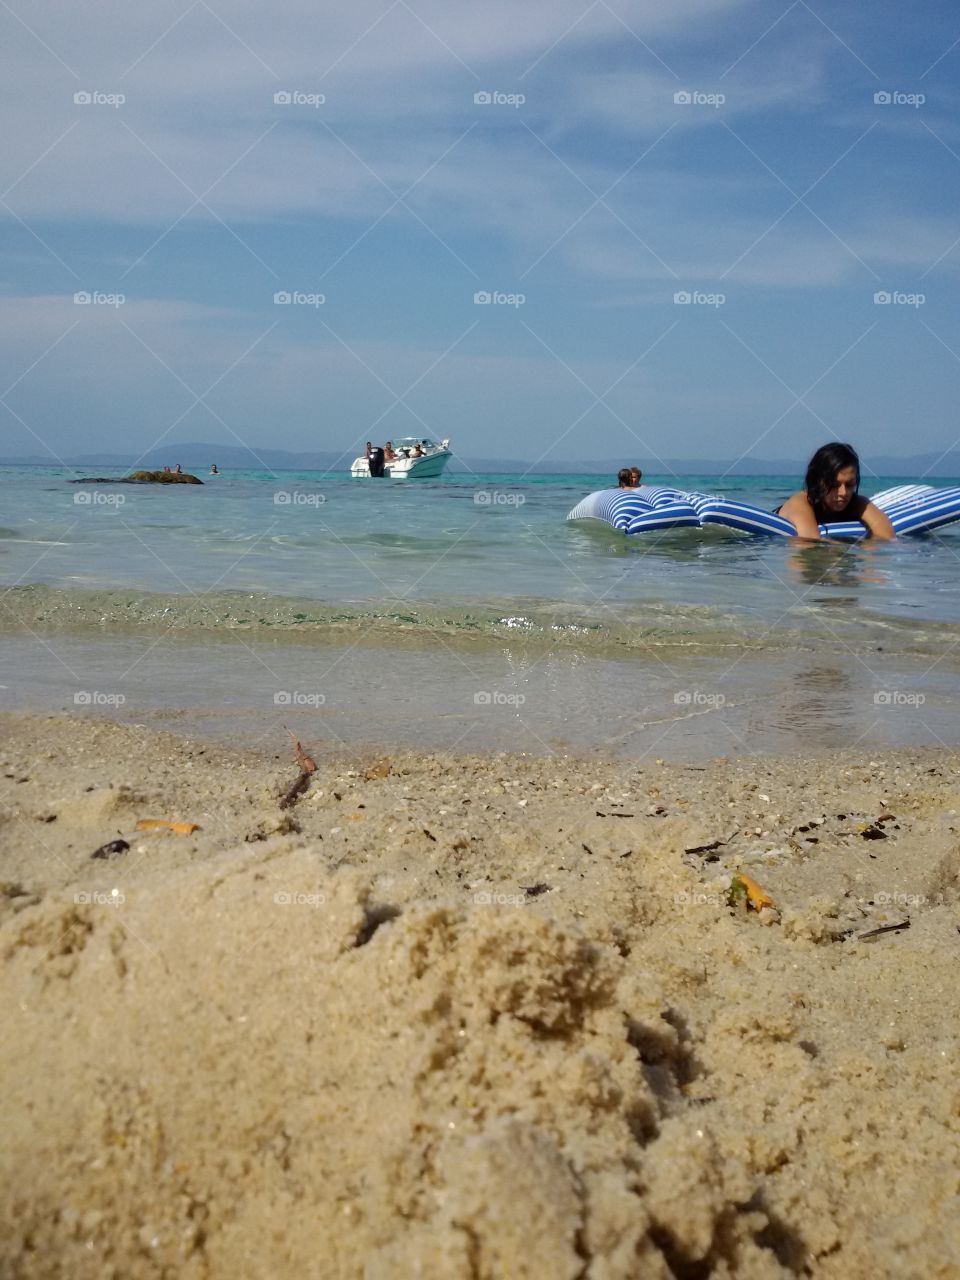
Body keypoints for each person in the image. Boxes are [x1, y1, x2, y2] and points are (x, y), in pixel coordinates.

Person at [777, 443, 895, 541]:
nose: (843, 492)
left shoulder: (858, 503)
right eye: (834, 484)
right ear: (817, 481)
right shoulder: (801, 504)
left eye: (849, 484)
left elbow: (887, 538)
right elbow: (809, 544)